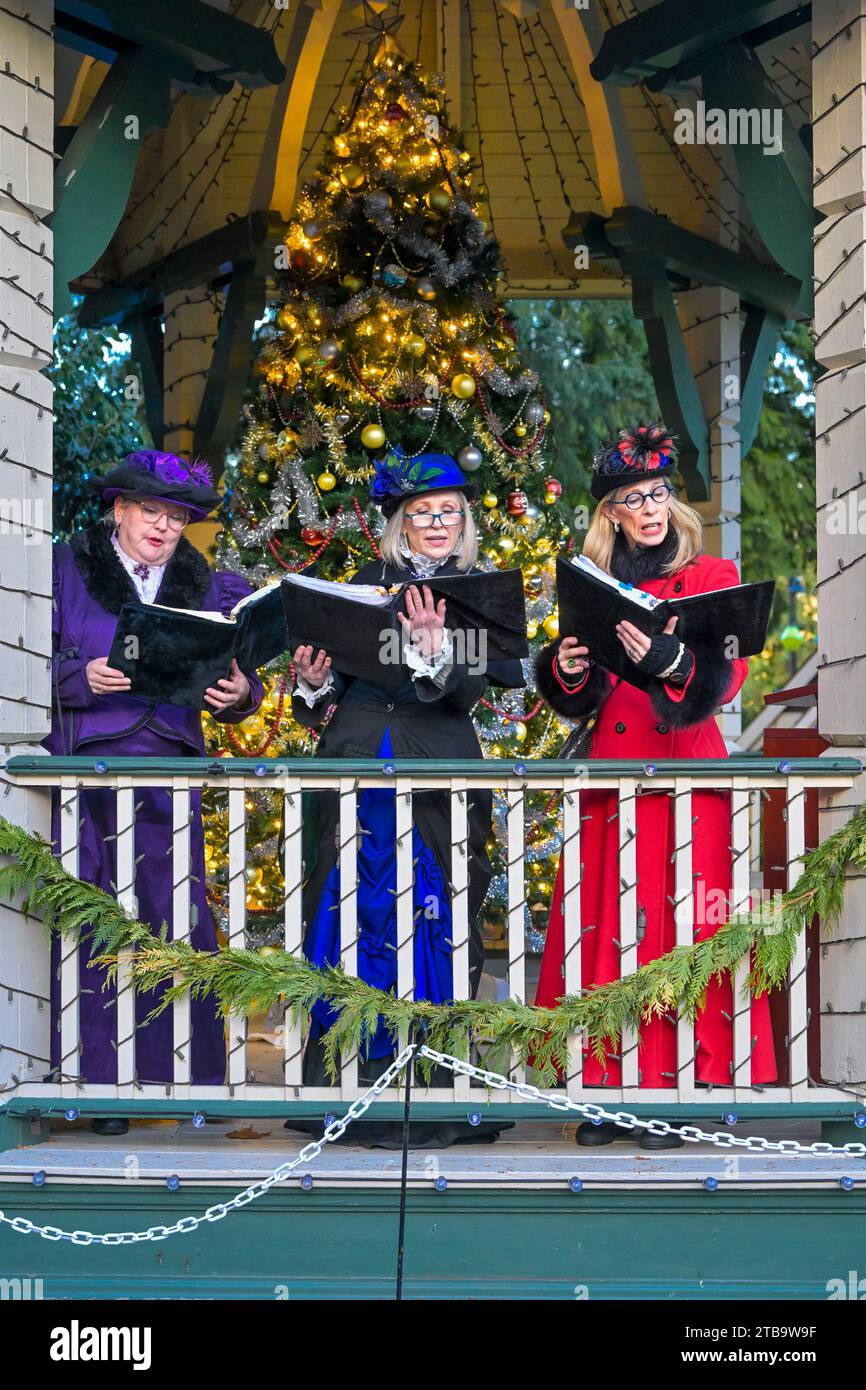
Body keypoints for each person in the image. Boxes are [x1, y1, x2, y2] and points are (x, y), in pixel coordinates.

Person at [533, 425, 776, 1148]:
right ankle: (606, 1085)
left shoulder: (712, 574)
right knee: (609, 931)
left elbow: (724, 677)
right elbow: (578, 694)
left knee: (678, 932)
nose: (650, 508)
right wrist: (568, 667)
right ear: (609, 511)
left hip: (685, 778)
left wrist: (675, 663)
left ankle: (679, 1085)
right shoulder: (592, 582)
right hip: (611, 781)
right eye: (632, 498)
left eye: (659, 493)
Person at [287, 448, 524, 1148]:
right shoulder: (360, 584)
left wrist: (435, 647)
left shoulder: (480, 593)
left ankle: (434, 1090)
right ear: (398, 522)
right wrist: (311, 680)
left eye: (448, 511)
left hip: (438, 777)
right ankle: (346, 1086)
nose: (436, 523)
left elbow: (479, 687)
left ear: (465, 518)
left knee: (438, 918)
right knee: (348, 919)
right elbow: (323, 702)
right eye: (421, 513)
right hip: (357, 769)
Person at [46, 450, 264, 1134]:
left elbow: (237, 676)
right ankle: (97, 1084)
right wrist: (82, 678)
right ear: (119, 509)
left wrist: (239, 694)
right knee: (92, 922)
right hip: (85, 770)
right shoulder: (61, 569)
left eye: (177, 518)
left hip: (170, 771)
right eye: (151, 512)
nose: (164, 528)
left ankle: (178, 1080)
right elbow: (25, 662)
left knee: (170, 922)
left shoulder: (213, 586)